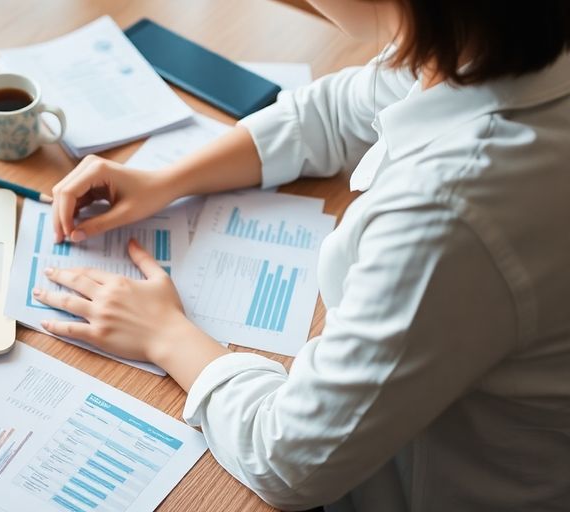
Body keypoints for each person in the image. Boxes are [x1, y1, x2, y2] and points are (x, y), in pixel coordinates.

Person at [33, 1, 570, 510]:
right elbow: (335, 111)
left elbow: (289, 460)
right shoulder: (482, 42)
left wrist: (164, 333)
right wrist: (167, 180)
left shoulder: (451, 213)